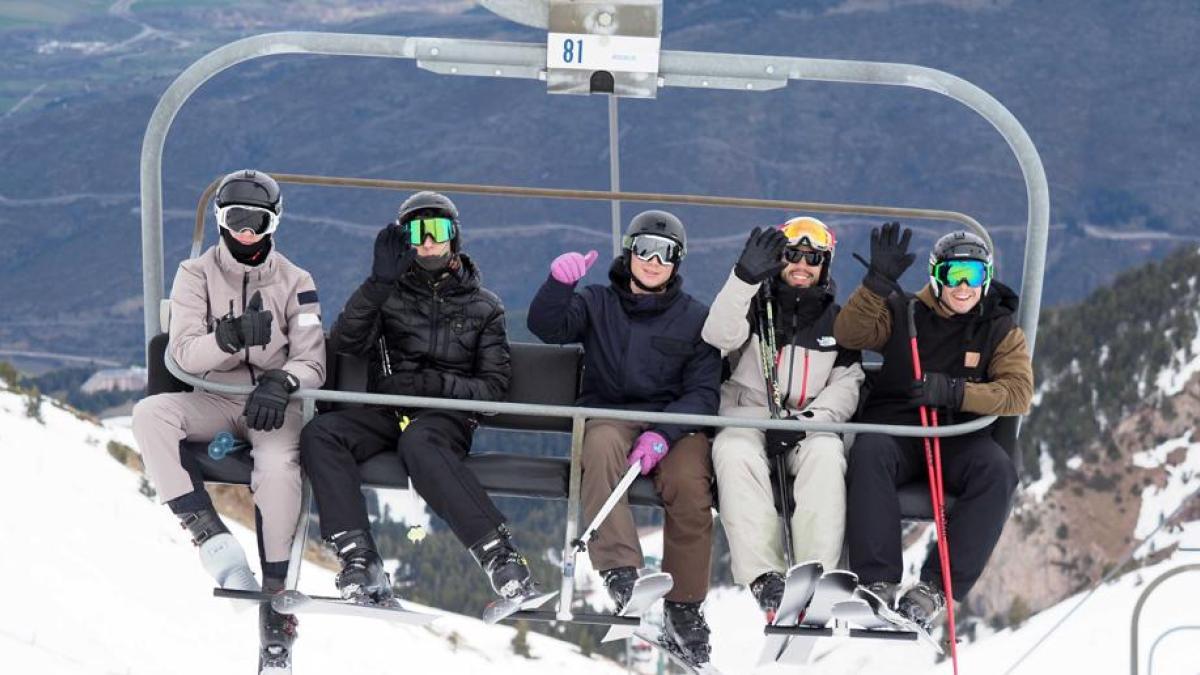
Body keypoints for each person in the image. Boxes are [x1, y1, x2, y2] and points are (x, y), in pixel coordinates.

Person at [298, 191, 535, 605]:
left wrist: (433, 387)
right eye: (416, 232)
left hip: (445, 418)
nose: (427, 242)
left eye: (437, 230)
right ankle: (359, 556)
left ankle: (499, 556)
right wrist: (378, 283)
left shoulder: (484, 307)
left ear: (453, 237)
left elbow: (493, 389)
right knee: (322, 434)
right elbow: (348, 341)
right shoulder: (387, 292)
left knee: (420, 442)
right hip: (387, 410)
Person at [132, 169, 325, 661]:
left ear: (273, 223)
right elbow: (183, 354)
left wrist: (283, 382)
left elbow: (312, 358)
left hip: (273, 405)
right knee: (152, 414)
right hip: (213, 396)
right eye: (236, 219)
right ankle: (210, 537)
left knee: (279, 468)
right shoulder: (194, 275)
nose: (245, 232)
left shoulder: (295, 281)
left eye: (256, 221)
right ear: (220, 220)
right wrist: (230, 336)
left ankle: (276, 597)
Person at [527, 210, 721, 666]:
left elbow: (703, 391)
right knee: (599, 446)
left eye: (665, 253)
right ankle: (620, 571)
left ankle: (685, 608)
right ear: (629, 252)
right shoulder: (597, 302)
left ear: (678, 262)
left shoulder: (695, 318)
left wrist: (664, 433)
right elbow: (547, 326)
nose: (653, 261)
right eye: (645, 250)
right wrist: (559, 285)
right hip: (611, 414)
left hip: (673, 425)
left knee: (690, 484)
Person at [833, 222, 1033, 630]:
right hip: (899, 432)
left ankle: (934, 588)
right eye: (952, 275)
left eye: (973, 275)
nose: (963, 287)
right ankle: (878, 581)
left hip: (959, 438)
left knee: (997, 472)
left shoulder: (999, 329)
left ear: (987, 277)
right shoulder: (904, 312)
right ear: (935, 276)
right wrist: (875, 286)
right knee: (870, 451)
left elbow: (1017, 393)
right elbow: (848, 333)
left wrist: (957, 393)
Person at [701, 217, 864, 619]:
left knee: (825, 456)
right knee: (733, 450)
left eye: (813, 258)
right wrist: (743, 280)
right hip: (749, 413)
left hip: (810, 423)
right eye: (793, 255)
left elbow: (847, 383)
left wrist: (806, 422)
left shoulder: (837, 321)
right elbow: (717, 337)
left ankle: (817, 576)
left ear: (824, 265)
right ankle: (765, 576)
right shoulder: (754, 304)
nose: (802, 265)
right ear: (779, 259)